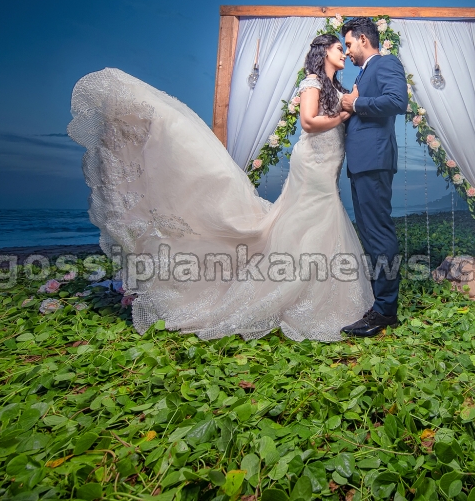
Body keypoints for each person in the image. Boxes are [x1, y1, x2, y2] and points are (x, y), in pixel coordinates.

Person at [66, 33, 373, 342]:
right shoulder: (312, 83)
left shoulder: (337, 88)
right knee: (313, 217)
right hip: (313, 161)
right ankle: (297, 291)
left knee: (320, 219)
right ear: (324, 53)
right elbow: (308, 122)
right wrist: (344, 113)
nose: (344, 53)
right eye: (339, 48)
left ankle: (314, 289)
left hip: (329, 160)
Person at [338, 17, 409, 337]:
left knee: (378, 234)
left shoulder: (386, 63)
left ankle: (384, 311)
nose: (348, 51)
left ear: (364, 39)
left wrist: (356, 103)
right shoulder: (364, 73)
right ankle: (381, 304)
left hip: (374, 161)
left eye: (349, 44)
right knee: (371, 233)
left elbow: (398, 102)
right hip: (363, 163)